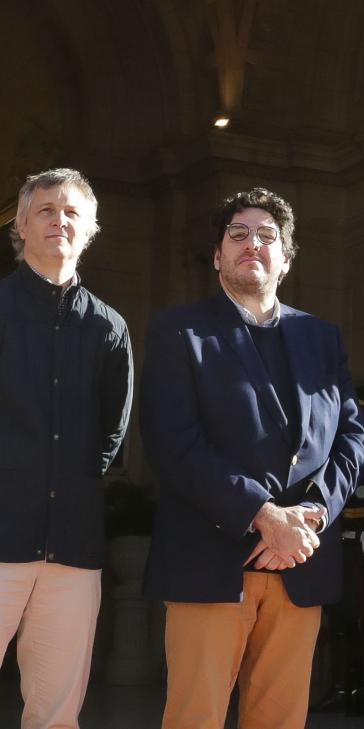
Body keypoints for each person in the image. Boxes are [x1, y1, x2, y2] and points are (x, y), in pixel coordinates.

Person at [140, 188, 364, 729]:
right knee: (196, 717)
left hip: (300, 562)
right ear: (217, 255)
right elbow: (173, 443)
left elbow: (350, 438)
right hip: (212, 560)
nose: (252, 245)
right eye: (238, 235)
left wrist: (308, 517)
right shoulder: (178, 332)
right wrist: (265, 516)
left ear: (286, 259)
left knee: (281, 721)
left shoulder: (321, 337)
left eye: (267, 237)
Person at [0, 168, 132, 729]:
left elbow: (112, 436)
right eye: (47, 210)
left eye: (73, 212)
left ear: (90, 229)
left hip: (73, 551)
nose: (60, 220)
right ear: (21, 227)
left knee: (55, 715)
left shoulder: (109, 328)